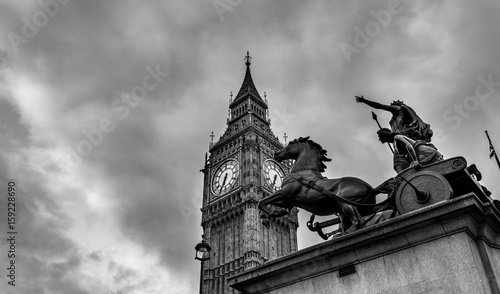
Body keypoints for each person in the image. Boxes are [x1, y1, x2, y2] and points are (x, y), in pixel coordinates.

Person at [355, 95, 437, 172]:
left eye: (392, 105)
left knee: (399, 163)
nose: (391, 107)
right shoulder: (393, 119)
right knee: (398, 164)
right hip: (398, 139)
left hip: (403, 137)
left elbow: (379, 106)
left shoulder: (398, 109)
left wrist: (364, 101)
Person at [377, 128, 443, 172]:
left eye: (379, 136)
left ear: (384, 135)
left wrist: (415, 161)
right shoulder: (394, 142)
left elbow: (409, 146)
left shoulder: (397, 137)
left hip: (423, 153)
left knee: (414, 172)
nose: (379, 139)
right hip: (420, 154)